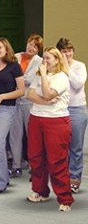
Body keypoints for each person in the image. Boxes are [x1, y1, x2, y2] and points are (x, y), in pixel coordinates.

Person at [26, 47, 73, 211]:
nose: (44, 62)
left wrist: (45, 76)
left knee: (56, 161)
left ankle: (65, 198)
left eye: (48, 58)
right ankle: (40, 191)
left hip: (56, 121)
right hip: (36, 119)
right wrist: (45, 102)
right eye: (43, 58)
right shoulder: (38, 75)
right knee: (35, 157)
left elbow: (48, 93)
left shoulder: (62, 77)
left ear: (57, 60)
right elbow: (30, 94)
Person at [0, 38, 25, 194]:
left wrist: (2, 97)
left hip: (7, 109)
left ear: (7, 49)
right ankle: (3, 177)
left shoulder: (14, 67)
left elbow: (21, 90)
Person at [8, 34, 43, 178]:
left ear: (38, 50)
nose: (31, 47)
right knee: (15, 135)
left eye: (35, 46)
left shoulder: (39, 62)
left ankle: (35, 166)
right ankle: (16, 165)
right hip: (15, 101)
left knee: (32, 136)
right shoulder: (15, 57)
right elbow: (9, 75)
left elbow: (29, 79)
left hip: (30, 102)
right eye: (30, 44)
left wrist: (16, 77)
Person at [56, 38, 87, 194]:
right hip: (60, 110)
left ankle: (74, 178)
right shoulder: (56, 68)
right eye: (63, 51)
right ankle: (63, 178)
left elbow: (78, 84)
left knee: (75, 147)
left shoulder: (79, 66)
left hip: (77, 110)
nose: (67, 54)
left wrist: (67, 69)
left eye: (69, 50)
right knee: (63, 147)